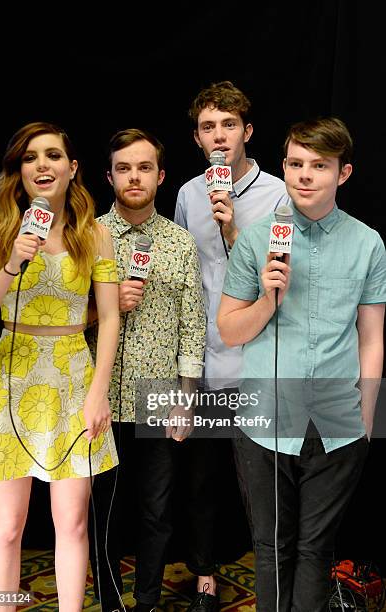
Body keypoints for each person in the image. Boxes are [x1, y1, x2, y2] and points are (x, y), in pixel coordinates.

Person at [217, 117, 386, 611]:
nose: (304, 175)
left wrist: (367, 413)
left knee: (315, 550)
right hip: (264, 418)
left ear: (344, 173)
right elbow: (230, 331)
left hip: (338, 421)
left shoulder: (367, 243)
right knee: (271, 550)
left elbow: (371, 336)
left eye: (319, 165)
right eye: (295, 164)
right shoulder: (255, 240)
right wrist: (269, 300)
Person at [0, 121, 120, 612]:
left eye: (53, 156)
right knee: (6, 527)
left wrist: (99, 393)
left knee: (71, 524)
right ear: (20, 172)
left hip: (74, 378)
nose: (41, 165)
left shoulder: (94, 234)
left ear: (72, 169)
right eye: (30, 158)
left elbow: (112, 318)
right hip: (10, 378)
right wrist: (11, 262)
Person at [173, 80, 290, 611]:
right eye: (206, 127)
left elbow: (286, 273)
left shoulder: (279, 194)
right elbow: (181, 275)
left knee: (261, 484)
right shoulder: (187, 194)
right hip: (203, 361)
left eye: (227, 125)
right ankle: (204, 576)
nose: (218, 135)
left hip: (260, 358)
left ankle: (275, 581)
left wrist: (235, 231)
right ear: (197, 139)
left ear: (246, 131)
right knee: (201, 482)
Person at [87, 128, 206, 612]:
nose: (133, 177)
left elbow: (193, 324)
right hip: (99, 393)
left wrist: (186, 396)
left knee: (156, 512)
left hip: (159, 394)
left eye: (143, 168)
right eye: (123, 168)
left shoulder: (179, 243)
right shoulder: (88, 235)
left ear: (160, 176)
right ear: (109, 176)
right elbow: (65, 315)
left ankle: (148, 601)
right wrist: (106, 307)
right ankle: (111, 602)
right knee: (104, 512)